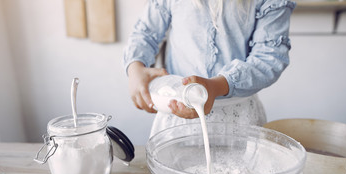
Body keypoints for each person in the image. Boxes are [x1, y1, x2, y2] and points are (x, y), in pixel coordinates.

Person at [123, 0, 296, 137]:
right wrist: (135, 67)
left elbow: (269, 57)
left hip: (239, 118)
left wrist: (216, 87)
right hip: (179, 114)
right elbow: (144, 34)